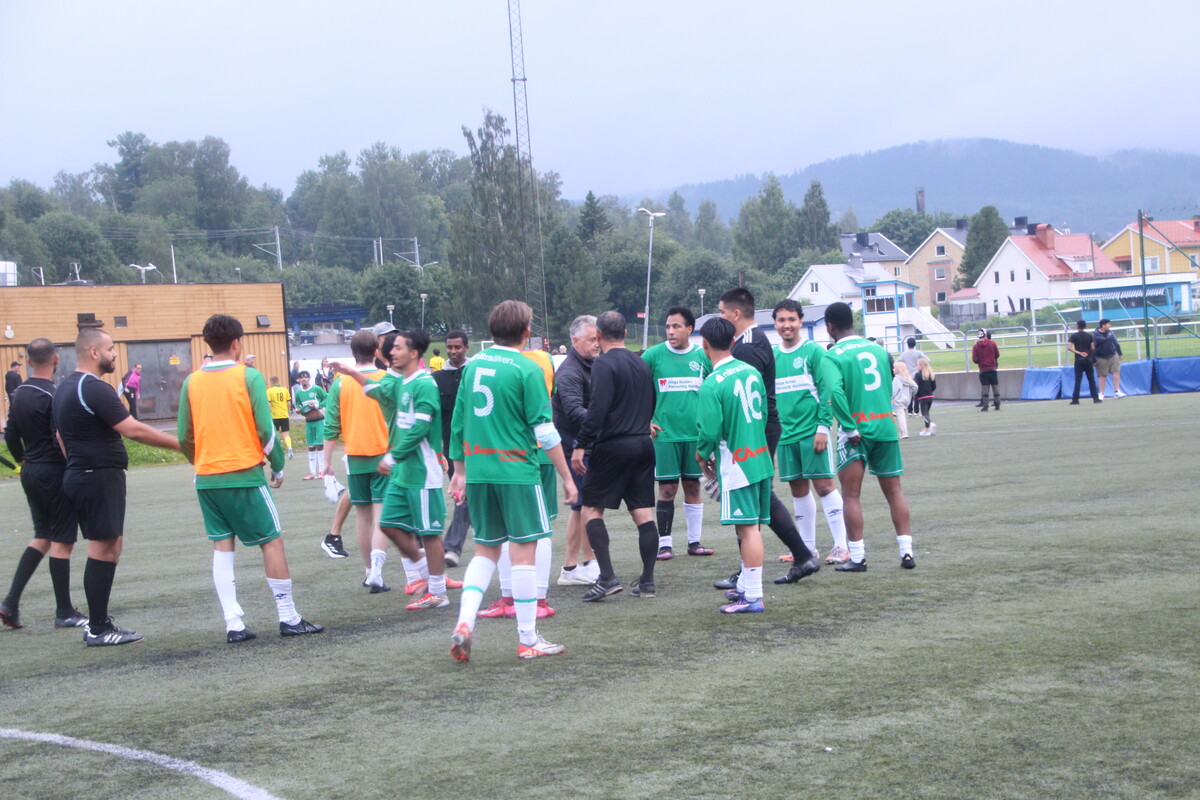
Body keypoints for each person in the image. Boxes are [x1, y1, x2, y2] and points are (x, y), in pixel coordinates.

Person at [178, 315, 323, 643]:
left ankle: (234, 624)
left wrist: (200, 462)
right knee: (271, 541)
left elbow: (184, 435)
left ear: (208, 343)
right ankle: (288, 617)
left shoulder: (192, 382)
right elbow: (265, 429)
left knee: (222, 546)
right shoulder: (249, 376)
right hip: (243, 474)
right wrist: (278, 466)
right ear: (236, 343)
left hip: (207, 477)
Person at [447, 300, 577, 662]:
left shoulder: (473, 366)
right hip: (517, 472)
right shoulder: (528, 368)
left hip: (479, 471)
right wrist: (567, 477)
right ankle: (527, 638)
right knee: (523, 553)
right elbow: (545, 431)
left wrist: (459, 471)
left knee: (486, 550)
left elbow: (458, 422)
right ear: (525, 331)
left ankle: (464, 622)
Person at [53, 327, 181, 645]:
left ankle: (100, 623)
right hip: (96, 475)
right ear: (94, 352)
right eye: (110, 348)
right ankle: (98, 629)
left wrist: (77, 464)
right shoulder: (94, 388)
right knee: (102, 548)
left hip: (87, 473)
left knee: (110, 546)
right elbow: (133, 429)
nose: (114, 354)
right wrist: (182, 446)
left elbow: (60, 437)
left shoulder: (65, 386)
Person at [339, 329, 459, 611]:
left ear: (414, 353)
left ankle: (437, 591)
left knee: (429, 533)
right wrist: (351, 372)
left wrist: (393, 457)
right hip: (403, 472)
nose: (392, 352)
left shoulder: (424, 384)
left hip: (421, 471)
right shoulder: (402, 381)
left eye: (398, 348)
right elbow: (377, 391)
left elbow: (420, 427)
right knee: (389, 525)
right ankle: (426, 571)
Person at [717, 287, 819, 586]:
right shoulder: (753, 340)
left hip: (755, 428)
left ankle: (752, 571)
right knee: (759, 495)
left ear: (735, 313)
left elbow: (743, 395)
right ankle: (800, 556)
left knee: (750, 495)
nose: (720, 317)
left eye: (722, 312)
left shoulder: (747, 346)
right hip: (763, 426)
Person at [820, 302, 915, 572]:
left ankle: (858, 557)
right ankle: (907, 553)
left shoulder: (832, 355)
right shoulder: (879, 350)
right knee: (895, 491)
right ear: (852, 322)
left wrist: (849, 427)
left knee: (851, 495)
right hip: (885, 425)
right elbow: (889, 385)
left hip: (857, 431)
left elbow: (835, 392)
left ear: (829, 326)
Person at [571, 311, 659, 601]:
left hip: (613, 446)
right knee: (643, 513)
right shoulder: (641, 362)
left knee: (591, 508)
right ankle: (647, 582)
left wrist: (581, 444)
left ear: (598, 336)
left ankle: (607, 577)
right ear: (625, 333)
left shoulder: (603, 363)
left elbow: (597, 410)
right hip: (643, 444)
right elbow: (651, 401)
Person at [0, 338, 86, 630]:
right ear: (56, 359)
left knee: (43, 535)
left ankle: (10, 602)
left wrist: (22, 460)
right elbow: (59, 435)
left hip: (31, 471)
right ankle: (64, 612)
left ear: (27, 361)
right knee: (62, 540)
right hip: (54, 471)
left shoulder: (19, 393)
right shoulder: (54, 394)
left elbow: (11, 434)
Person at [695, 317, 770, 613]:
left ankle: (753, 596)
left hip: (738, 462)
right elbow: (764, 412)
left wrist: (702, 455)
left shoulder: (712, 383)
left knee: (748, 528)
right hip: (759, 455)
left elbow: (709, 430)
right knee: (748, 527)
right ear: (733, 341)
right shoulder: (751, 371)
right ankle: (745, 587)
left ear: (704, 344)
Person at [772, 300, 850, 567]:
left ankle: (841, 545)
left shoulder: (813, 352)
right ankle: (806, 549)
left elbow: (827, 391)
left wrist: (823, 428)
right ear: (775, 323)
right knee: (797, 489)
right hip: (785, 435)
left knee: (825, 486)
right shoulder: (772, 356)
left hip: (811, 432)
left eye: (791, 319)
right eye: (781, 320)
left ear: (800, 321)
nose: (786, 325)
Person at [321, 331, 401, 591]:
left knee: (363, 517)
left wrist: (326, 462)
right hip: (385, 455)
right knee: (381, 516)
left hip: (355, 456)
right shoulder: (388, 379)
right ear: (377, 350)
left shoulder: (340, 383)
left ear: (352, 352)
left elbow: (331, 426)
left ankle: (368, 571)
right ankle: (377, 571)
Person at [641, 305, 714, 560]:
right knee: (667, 489)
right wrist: (644, 420)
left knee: (693, 486)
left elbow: (714, 393)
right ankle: (665, 544)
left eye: (676, 326)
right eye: (668, 327)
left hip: (695, 436)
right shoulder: (653, 356)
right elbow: (635, 388)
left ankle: (695, 542)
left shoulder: (702, 357)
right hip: (665, 436)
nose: (670, 331)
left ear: (689, 329)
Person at [549, 316, 600, 587]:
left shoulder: (592, 365)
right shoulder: (570, 371)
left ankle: (579, 565)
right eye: (592, 339)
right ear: (575, 341)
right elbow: (573, 410)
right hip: (576, 448)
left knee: (586, 506)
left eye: (598, 338)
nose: (597, 343)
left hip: (587, 445)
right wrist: (607, 422)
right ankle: (579, 565)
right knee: (584, 506)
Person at [434, 330, 472, 567]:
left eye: (457, 347)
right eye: (449, 347)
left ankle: (452, 547)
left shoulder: (476, 373)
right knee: (464, 496)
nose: (453, 351)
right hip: (452, 448)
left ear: (466, 347)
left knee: (467, 496)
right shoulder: (437, 378)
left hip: (479, 445)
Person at [294, 371, 327, 481]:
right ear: (298, 380)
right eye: (301, 378)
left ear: (309, 378)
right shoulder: (298, 393)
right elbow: (298, 405)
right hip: (309, 422)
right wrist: (299, 410)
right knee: (311, 446)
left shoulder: (316, 389)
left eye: (305, 377)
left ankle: (322, 471)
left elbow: (327, 398)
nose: (304, 379)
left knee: (320, 445)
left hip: (319, 420)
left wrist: (318, 405)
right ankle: (312, 472)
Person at [1067, 320, 1100, 405]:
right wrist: (1088, 354)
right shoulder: (1089, 336)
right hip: (1088, 359)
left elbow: (1069, 347)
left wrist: (1079, 353)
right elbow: (1093, 348)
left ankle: (1075, 399)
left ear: (1077, 326)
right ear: (1085, 326)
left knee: (1078, 380)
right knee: (1091, 379)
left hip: (1079, 360)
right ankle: (1095, 398)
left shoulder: (1074, 336)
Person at [1093, 319, 1125, 399]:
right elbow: (1093, 348)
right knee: (1102, 375)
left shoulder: (1111, 333)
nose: (1109, 326)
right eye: (1108, 324)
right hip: (1101, 357)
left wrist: (1120, 353)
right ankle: (1101, 393)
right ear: (1103, 325)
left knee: (1116, 372)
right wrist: (1093, 359)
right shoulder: (1095, 335)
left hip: (1113, 355)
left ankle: (1117, 391)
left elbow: (1116, 343)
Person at [972, 329, 1001, 411]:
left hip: (983, 369)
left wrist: (981, 361)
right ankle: (997, 404)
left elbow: (975, 359)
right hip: (992, 368)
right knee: (995, 386)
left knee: (985, 388)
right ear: (985, 334)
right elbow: (997, 354)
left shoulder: (976, 346)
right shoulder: (992, 343)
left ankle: (985, 406)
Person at [267, 375, 294, 458]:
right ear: (278, 381)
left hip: (274, 416)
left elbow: (268, 404)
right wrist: (287, 411)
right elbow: (289, 403)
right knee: (286, 434)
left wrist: (268, 412)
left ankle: (277, 451)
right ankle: (289, 447)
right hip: (284, 415)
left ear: (271, 382)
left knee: (275, 435)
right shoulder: (285, 390)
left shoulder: (269, 391)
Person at [891, 362, 917, 439]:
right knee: (903, 414)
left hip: (899, 400)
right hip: (907, 400)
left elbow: (894, 391)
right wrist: (912, 393)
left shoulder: (897, 379)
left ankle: (904, 433)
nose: (893, 369)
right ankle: (903, 432)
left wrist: (890, 398)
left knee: (901, 416)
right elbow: (915, 387)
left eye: (894, 368)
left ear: (898, 369)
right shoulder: (907, 378)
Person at [898, 337, 923, 416]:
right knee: (917, 392)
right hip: (916, 375)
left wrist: (903, 368)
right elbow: (928, 360)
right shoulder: (918, 353)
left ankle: (909, 411)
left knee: (909, 393)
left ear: (907, 344)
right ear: (915, 344)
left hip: (908, 375)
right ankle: (916, 411)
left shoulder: (904, 354)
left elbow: (897, 361)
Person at [915, 358, 937, 437]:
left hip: (923, 397)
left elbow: (916, 386)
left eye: (917, 365)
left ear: (921, 366)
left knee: (924, 414)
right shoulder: (931, 374)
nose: (916, 366)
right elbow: (934, 386)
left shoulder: (918, 375)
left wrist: (916, 394)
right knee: (927, 413)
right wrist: (930, 391)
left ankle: (930, 423)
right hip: (930, 396)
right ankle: (927, 429)